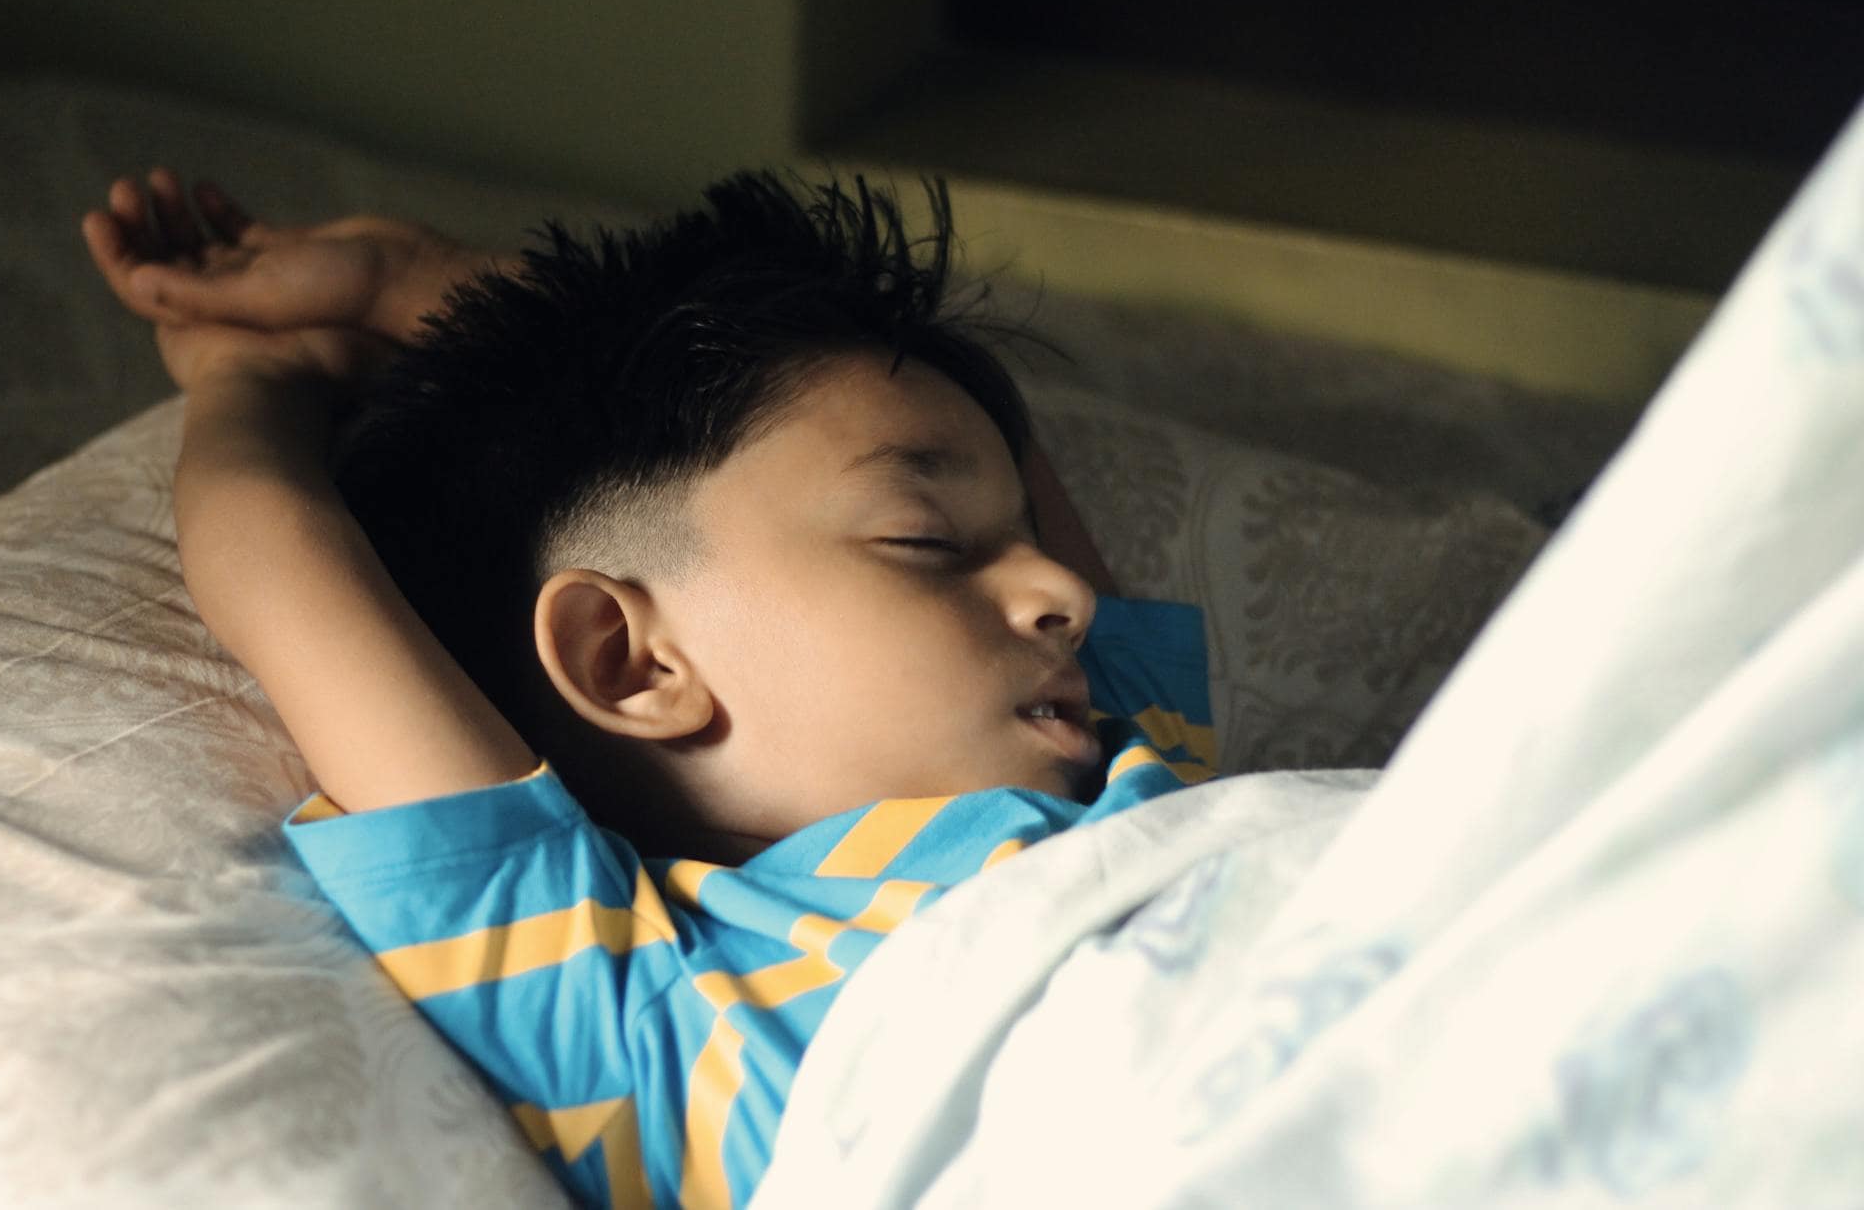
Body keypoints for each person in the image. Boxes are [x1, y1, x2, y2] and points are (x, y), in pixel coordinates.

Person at [83, 167, 1217, 1209]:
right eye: (924, 540)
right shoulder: (654, 1006)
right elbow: (280, 565)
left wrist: (405, 277)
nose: (1062, 584)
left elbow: (990, 445)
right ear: (629, 662)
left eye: (1019, 539)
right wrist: (252, 382)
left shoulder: (1129, 766)